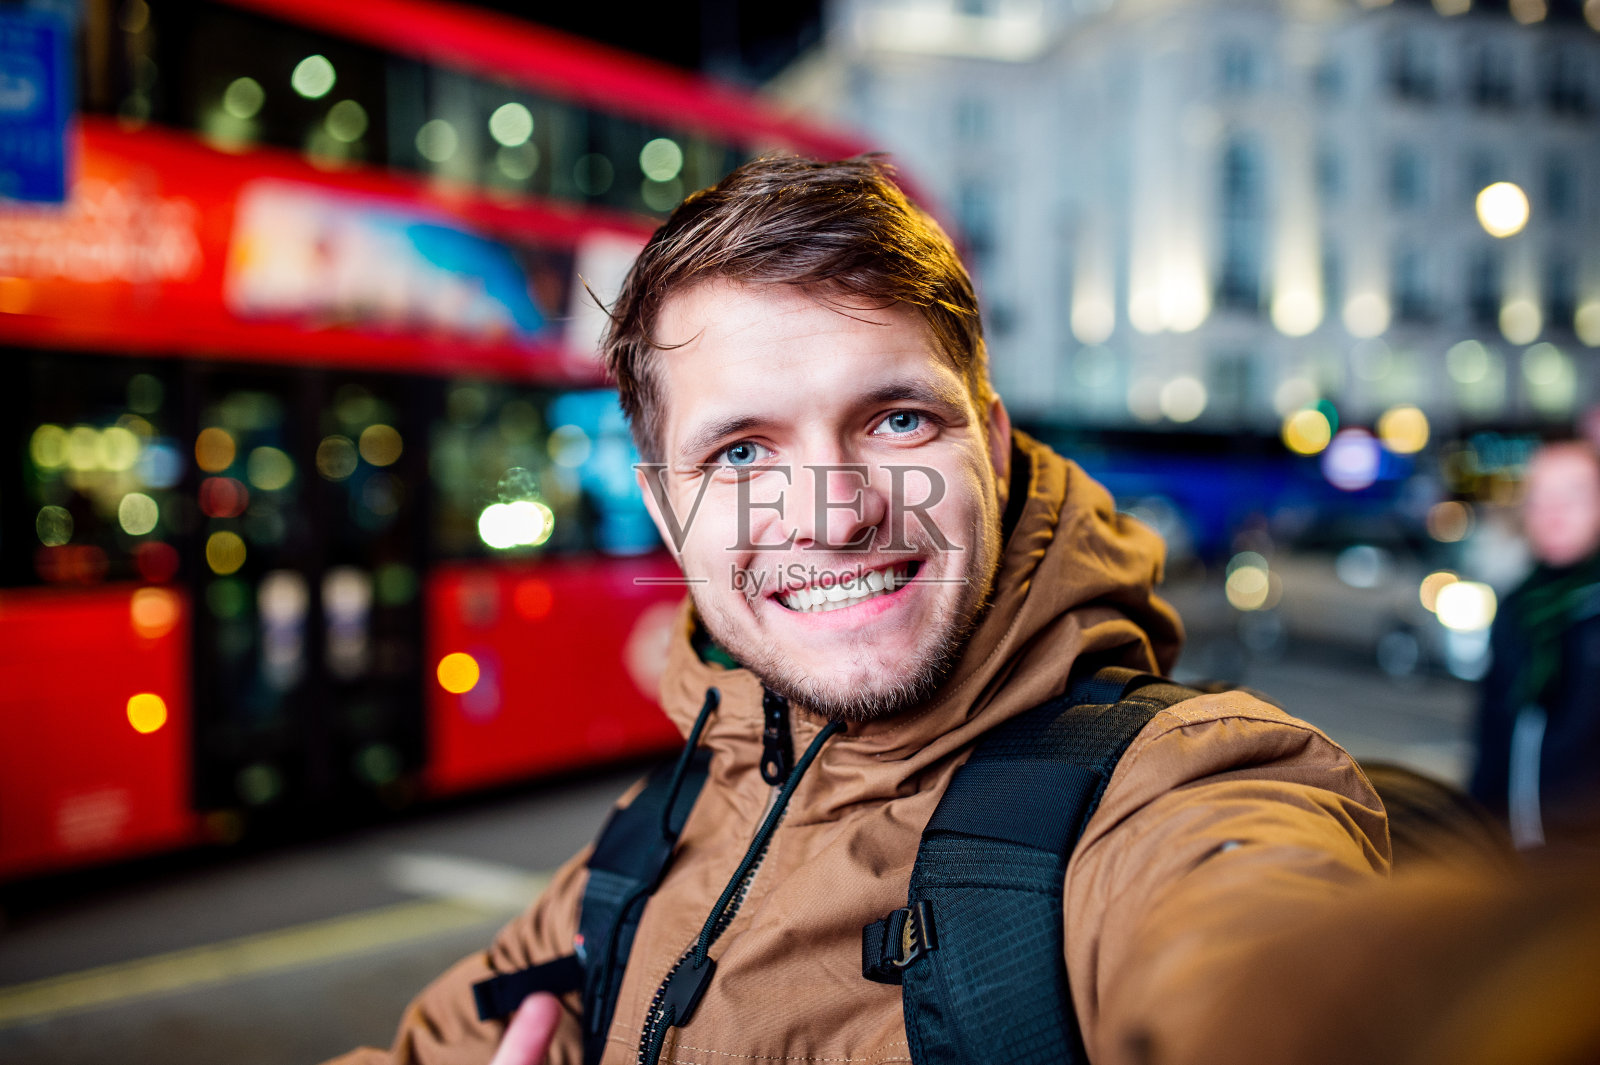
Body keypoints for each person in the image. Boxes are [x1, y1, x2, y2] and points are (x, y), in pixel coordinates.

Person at [327, 156, 1387, 1065]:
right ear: (664, 510)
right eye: (741, 452)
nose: (833, 513)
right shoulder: (650, 839)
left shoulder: (1179, 788)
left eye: (896, 420)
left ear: (993, 447)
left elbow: (1272, 966)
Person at [1470, 439, 1600, 849]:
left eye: (1572, 496)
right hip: (1517, 857)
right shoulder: (1518, 608)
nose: (1552, 513)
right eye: (1539, 498)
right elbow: (1491, 739)